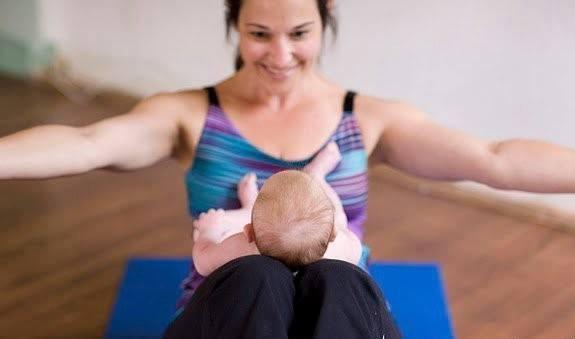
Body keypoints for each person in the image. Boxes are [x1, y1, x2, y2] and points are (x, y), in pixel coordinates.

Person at [1, 0, 574, 337]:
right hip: (231, 311)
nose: (279, 56)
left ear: (326, 23)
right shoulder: (190, 114)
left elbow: (493, 160)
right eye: (258, 34)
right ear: (235, 27)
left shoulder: (364, 118)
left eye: (299, 33)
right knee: (256, 277)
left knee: (339, 278)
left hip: (342, 313)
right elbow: (88, 140)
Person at [191, 142, 362, 276]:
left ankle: (250, 207)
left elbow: (203, 261)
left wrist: (208, 231)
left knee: (219, 225)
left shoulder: (242, 247)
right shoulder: (342, 246)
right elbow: (354, 245)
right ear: (332, 233)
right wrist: (337, 227)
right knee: (339, 217)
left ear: (249, 231)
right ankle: (316, 175)